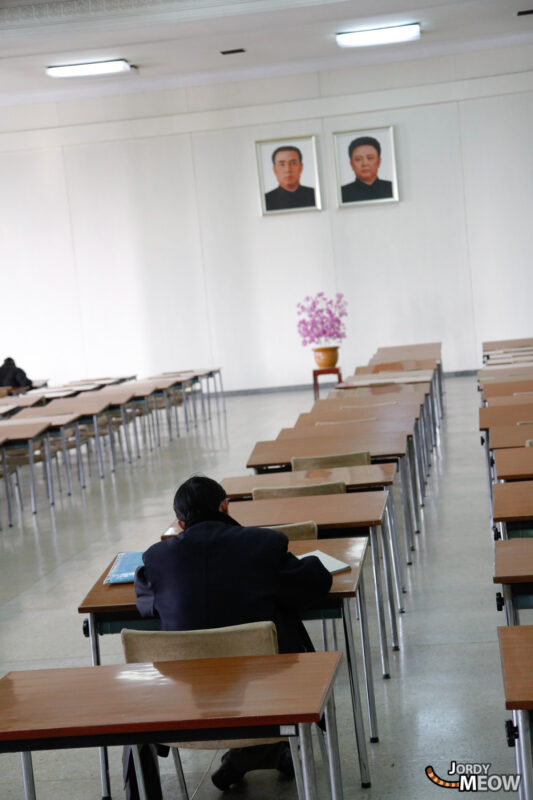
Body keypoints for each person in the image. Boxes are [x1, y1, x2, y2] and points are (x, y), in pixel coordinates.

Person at [135, 475, 332, 791]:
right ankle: (263, 749)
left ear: (180, 524)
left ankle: (248, 756)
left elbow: (147, 605)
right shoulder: (263, 544)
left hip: (183, 697)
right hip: (270, 690)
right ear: (225, 506)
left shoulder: (157, 558)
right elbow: (313, 585)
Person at [341, 135, 393, 203]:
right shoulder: (342, 193)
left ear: (379, 161)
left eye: (370, 158)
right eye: (358, 159)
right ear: (351, 164)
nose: (365, 164)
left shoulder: (392, 188)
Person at [265, 145, 316, 211]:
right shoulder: (266, 200)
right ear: (274, 169)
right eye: (282, 164)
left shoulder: (314, 195)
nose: (287, 169)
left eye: (293, 163)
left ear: (301, 167)